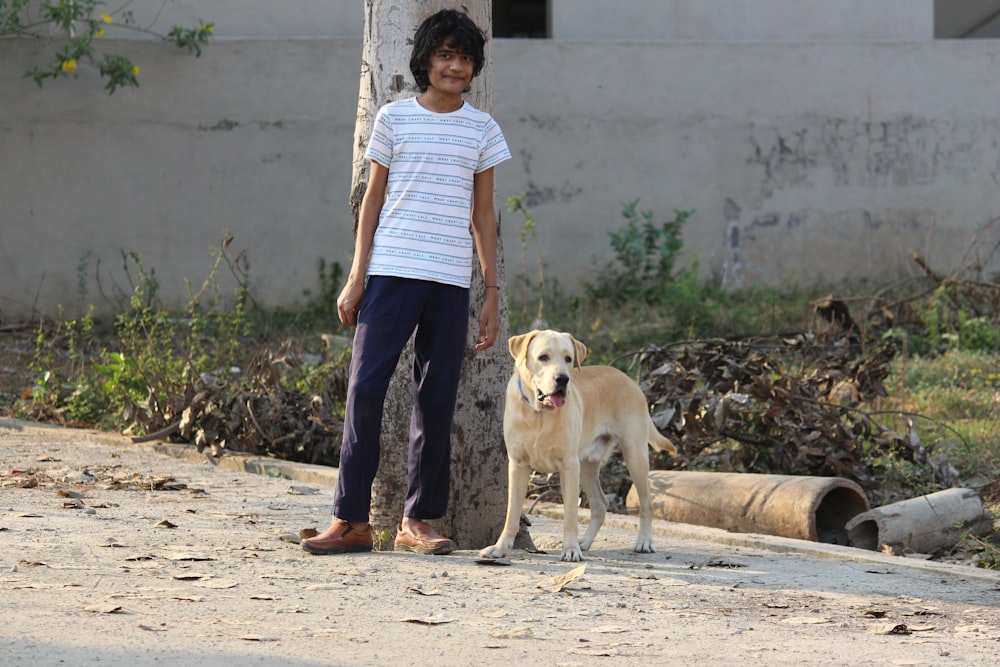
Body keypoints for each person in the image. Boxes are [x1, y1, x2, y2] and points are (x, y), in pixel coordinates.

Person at [303, 9, 511, 556]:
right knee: (365, 388)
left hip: (448, 281)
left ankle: (417, 521)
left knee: (437, 399)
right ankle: (351, 520)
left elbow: (483, 214)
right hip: (390, 275)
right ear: (425, 60)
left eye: (465, 58)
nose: (455, 66)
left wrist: (492, 294)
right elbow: (371, 199)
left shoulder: (482, 128)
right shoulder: (394, 117)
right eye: (445, 55)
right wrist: (356, 277)